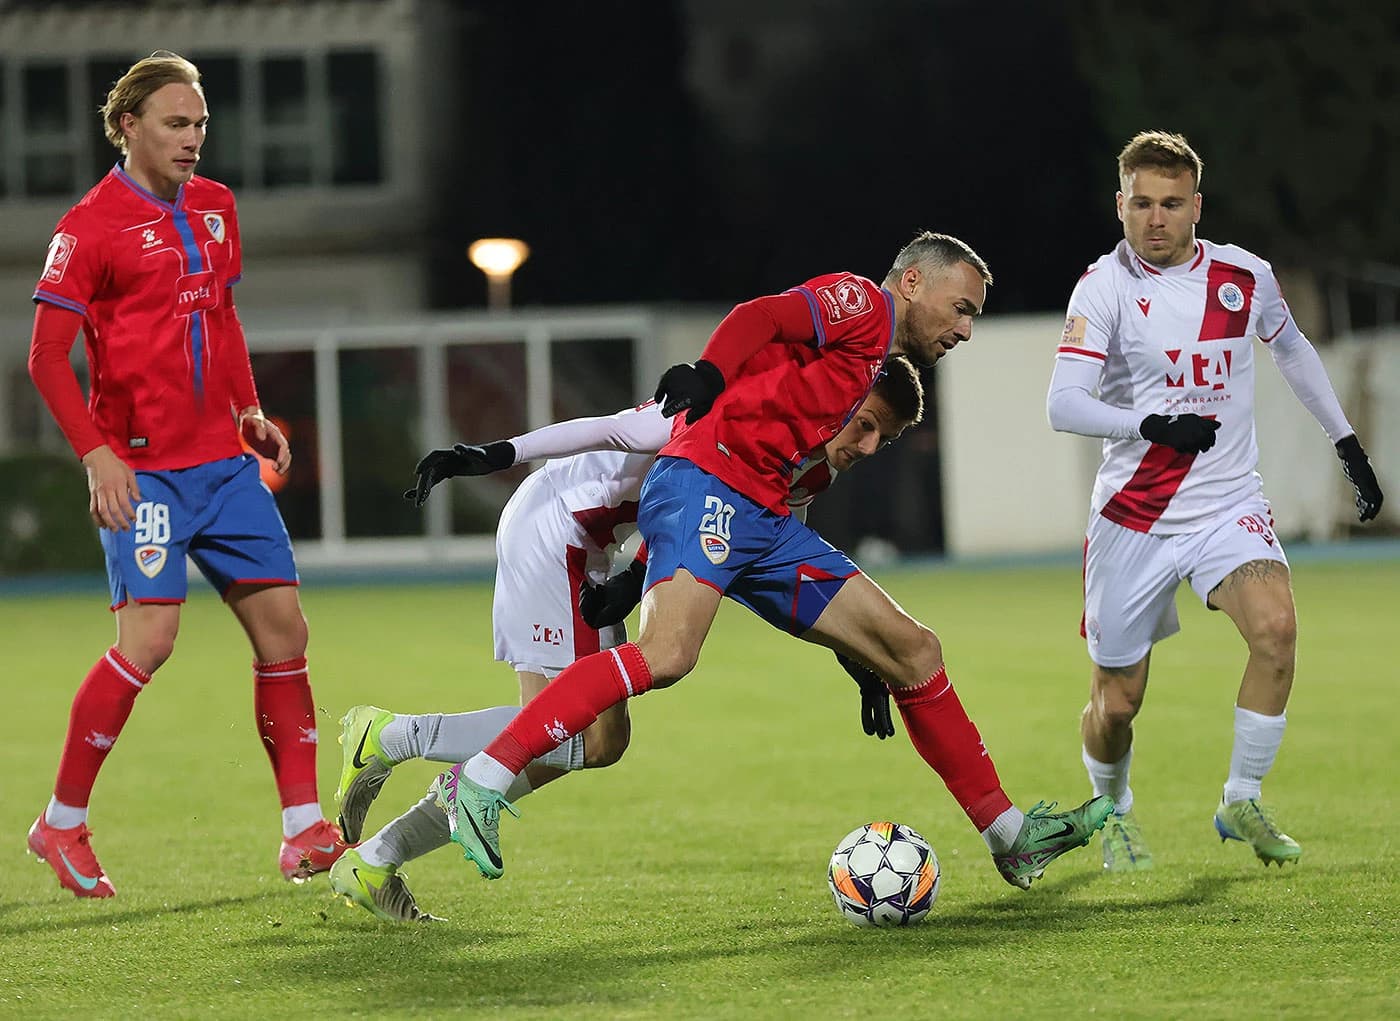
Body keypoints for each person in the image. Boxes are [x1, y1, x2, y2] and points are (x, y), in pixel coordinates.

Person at [424, 231, 1114, 895]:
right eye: (961, 308)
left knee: (912, 650)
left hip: (762, 512)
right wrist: (709, 371)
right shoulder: (864, 305)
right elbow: (763, 315)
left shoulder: (869, 367)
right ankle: (482, 778)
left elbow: (788, 456)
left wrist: (853, 651)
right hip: (708, 482)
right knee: (666, 655)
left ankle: (1010, 833)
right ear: (912, 282)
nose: (964, 329)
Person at [327, 359, 927, 921]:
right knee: (580, 735)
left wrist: (851, 651)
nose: (870, 447)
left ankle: (375, 854)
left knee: (591, 738)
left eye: (887, 439)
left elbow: (781, 562)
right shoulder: (744, 403)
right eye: (867, 423)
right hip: (560, 529)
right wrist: (494, 454)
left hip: (594, 548)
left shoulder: (807, 465)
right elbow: (615, 431)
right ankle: (392, 751)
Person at [24, 51, 348, 898]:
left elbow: (223, 311)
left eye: (200, 123)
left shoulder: (214, 206)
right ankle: (60, 825)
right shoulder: (87, 227)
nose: (193, 139)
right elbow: (46, 358)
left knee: (286, 635)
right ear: (127, 126)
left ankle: (302, 830)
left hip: (224, 467)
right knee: (149, 642)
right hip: (147, 476)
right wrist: (97, 453)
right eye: (176, 122)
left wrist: (249, 409)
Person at [1046, 131, 1385, 872]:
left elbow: (1291, 349)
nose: (1155, 219)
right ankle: (1114, 807)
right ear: (1120, 205)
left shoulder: (1243, 276)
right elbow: (1062, 404)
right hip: (1133, 516)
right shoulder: (1101, 288)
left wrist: (1347, 443)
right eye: (1141, 204)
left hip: (1227, 502)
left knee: (1277, 630)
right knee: (1118, 702)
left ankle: (1242, 794)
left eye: (1171, 203)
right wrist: (1151, 423)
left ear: (1196, 205)